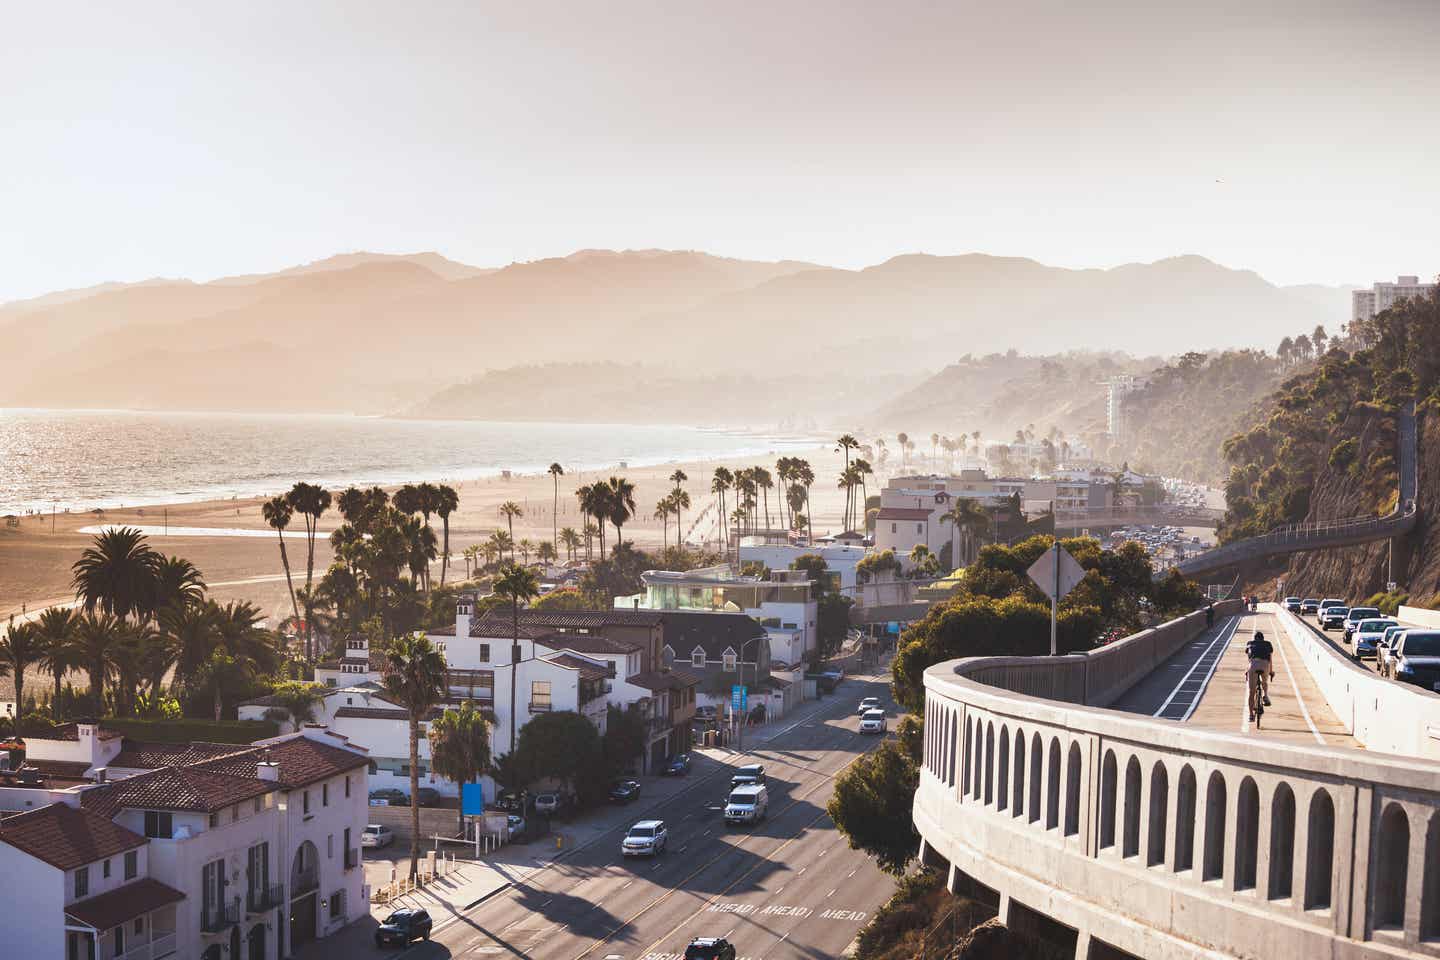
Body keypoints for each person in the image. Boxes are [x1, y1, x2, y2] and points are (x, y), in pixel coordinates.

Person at [1245, 630, 1275, 720]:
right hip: (1265, 664)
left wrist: (1248, 670)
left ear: (1255, 639)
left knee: (1251, 692)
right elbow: (1270, 659)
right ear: (1263, 638)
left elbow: (1249, 659)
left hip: (1253, 665)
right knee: (1264, 682)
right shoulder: (1268, 644)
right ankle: (1265, 695)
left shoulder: (1250, 643)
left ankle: (1251, 715)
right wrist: (1271, 672)